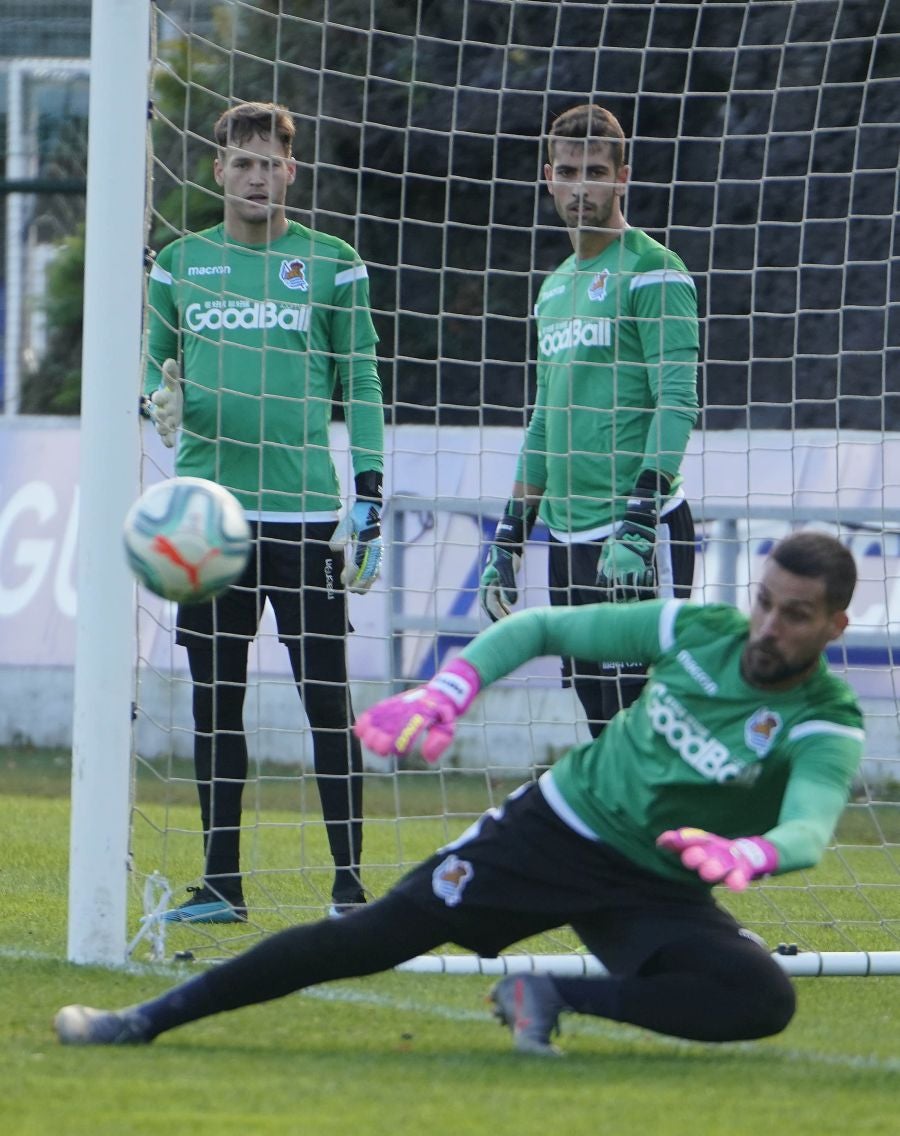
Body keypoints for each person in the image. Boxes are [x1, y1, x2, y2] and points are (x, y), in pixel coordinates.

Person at [56, 531, 864, 1055]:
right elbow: (540, 628)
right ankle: (143, 1021)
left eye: (795, 615)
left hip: (660, 879)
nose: (768, 627)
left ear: (834, 626)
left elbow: (809, 827)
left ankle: (548, 992)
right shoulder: (697, 630)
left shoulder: (826, 720)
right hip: (557, 830)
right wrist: (450, 688)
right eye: (764, 602)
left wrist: (751, 854)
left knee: (760, 998)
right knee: (368, 939)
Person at [141, 101, 385, 921]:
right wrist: (156, 401)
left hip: (307, 517)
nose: (256, 176)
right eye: (241, 162)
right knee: (216, 704)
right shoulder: (180, 264)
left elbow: (363, 381)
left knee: (327, 702)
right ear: (218, 170)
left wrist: (370, 490)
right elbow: (152, 364)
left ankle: (350, 888)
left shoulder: (333, 263)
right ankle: (221, 886)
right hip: (208, 519)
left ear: (291, 170)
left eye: (269, 163)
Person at [480, 103, 700, 737]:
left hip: (636, 533)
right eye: (569, 172)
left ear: (622, 177)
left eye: (596, 172)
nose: (581, 188)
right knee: (600, 721)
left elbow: (677, 400)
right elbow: (545, 420)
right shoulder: (553, 289)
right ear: (549, 177)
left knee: (647, 724)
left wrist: (640, 517)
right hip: (567, 540)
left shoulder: (654, 270)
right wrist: (509, 537)